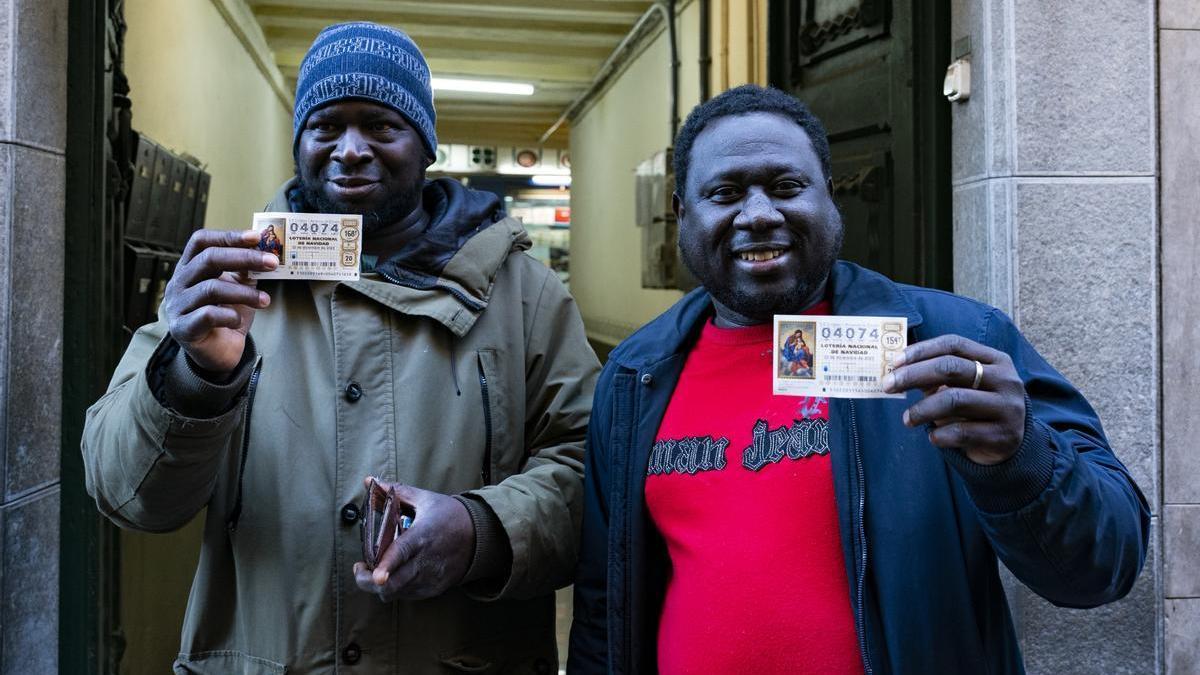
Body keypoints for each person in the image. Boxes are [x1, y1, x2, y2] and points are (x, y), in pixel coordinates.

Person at [568, 85, 1149, 674]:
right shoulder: (636, 375)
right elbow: (604, 602)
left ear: (830, 199)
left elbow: (1105, 568)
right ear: (682, 213)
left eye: (787, 187)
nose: (760, 213)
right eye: (725, 193)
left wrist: (1021, 460)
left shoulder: (954, 342)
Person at [83, 22, 598, 673]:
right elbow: (128, 495)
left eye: (382, 125)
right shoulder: (231, 283)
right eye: (326, 126)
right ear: (299, 142)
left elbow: (587, 466)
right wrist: (194, 375)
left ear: (426, 144)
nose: (351, 149)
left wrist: (483, 530)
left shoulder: (521, 292)